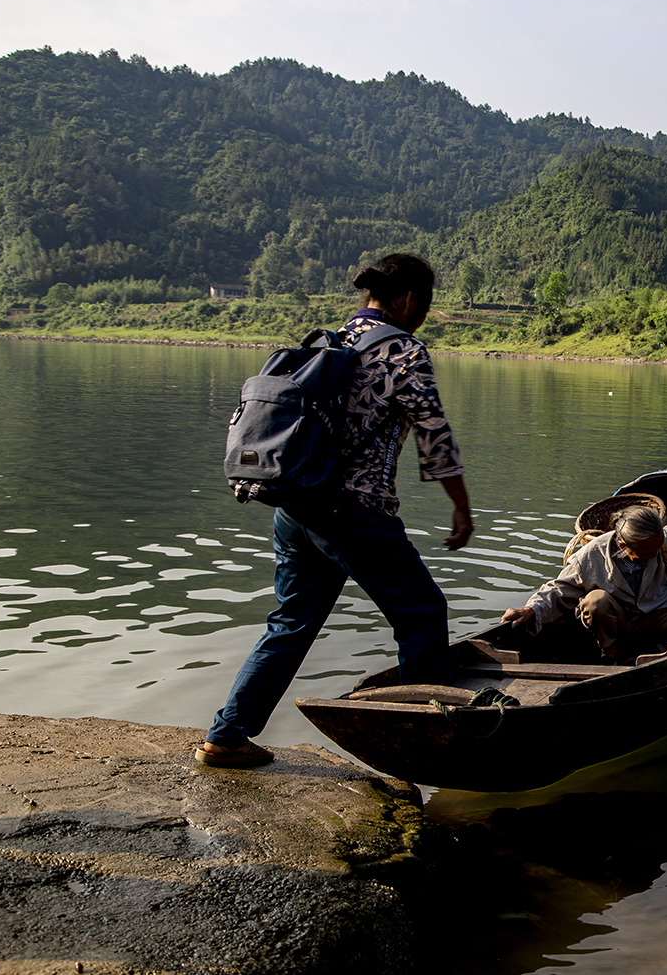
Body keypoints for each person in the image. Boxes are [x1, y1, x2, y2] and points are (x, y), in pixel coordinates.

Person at [197, 253, 474, 768]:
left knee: (291, 621)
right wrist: (460, 506)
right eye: (426, 303)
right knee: (423, 615)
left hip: (297, 508)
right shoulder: (402, 352)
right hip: (356, 513)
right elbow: (432, 433)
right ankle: (418, 742)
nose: (425, 314)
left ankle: (228, 734)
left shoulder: (327, 342)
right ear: (410, 299)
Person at [500, 506, 667, 660]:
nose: (654, 554)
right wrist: (531, 609)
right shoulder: (590, 556)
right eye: (647, 552)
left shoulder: (666, 540)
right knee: (594, 601)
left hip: (662, 607)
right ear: (623, 546)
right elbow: (559, 589)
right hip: (621, 618)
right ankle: (613, 657)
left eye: (657, 548)